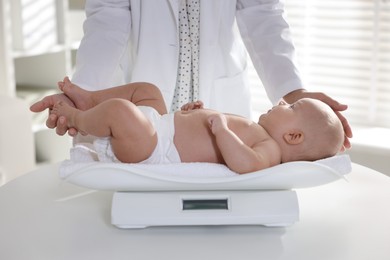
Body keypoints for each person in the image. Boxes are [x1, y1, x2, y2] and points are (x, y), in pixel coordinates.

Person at [29, 0, 352, 150]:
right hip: (151, 109)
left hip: (216, 97)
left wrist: (292, 91)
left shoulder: (258, 146)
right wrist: (83, 88)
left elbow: (262, 13)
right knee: (128, 109)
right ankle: (83, 101)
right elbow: (107, 17)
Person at [37, 77, 344, 174]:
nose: (280, 102)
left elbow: (246, 164)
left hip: (155, 149)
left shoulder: (269, 150)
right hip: (161, 125)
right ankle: (89, 100)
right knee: (148, 91)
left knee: (121, 111)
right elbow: (203, 130)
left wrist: (222, 130)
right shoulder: (259, 130)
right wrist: (196, 113)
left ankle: (76, 117)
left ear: (293, 135)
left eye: (289, 107)